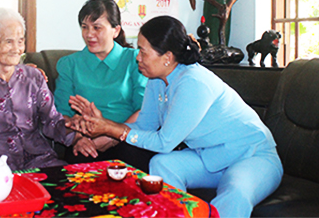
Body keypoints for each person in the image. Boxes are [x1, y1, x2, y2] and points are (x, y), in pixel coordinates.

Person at [69, 15, 284, 218]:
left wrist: (110, 129)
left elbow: (164, 142)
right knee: (163, 165)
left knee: (236, 191)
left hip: (253, 156)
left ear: (167, 57)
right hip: (211, 157)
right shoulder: (157, 79)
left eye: (143, 52)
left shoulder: (193, 83)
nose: (138, 57)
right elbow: (145, 125)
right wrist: (104, 126)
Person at [0, 7, 76, 171]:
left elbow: (52, 121)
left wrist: (76, 137)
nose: (16, 48)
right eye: (8, 41)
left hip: (40, 159)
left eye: (20, 41)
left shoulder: (34, 77)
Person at [54, 0, 156, 172]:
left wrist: (112, 136)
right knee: (79, 159)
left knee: (132, 157)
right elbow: (59, 115)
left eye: (97, 27)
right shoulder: (69, 64)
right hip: (87, 140)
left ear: (115, 30)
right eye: (84, 27)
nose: (89, 34)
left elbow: (144, 110)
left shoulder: (135, 60)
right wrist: (78, 138)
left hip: (126, 138)